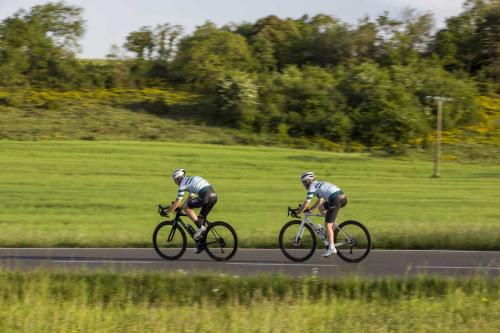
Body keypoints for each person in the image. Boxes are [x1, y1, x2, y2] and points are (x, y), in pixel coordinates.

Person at [295, 171, 347, 258]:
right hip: (342, 197)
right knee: (321, 208)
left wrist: (297, 212)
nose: (303, 185)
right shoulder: (318, 184)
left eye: (304, 183)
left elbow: (306, 203)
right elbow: (320, 201)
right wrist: (310, 210)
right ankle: (332, 225)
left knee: (327, 224)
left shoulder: (312, 187)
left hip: (335, 199)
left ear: (308, 181)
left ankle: (331, 248)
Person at [166, 168, 218, 253]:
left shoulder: (183, 184)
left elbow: (177, 202)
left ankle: (201, 228)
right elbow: (189, 198)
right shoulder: (190, 181)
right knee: (200, 219)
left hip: (205, 196)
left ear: (179, 179)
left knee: (188, 210)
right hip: (213, 196)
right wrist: (180, 208)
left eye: (175, 181)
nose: (175, 183)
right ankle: (201, 244)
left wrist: (167, 211)